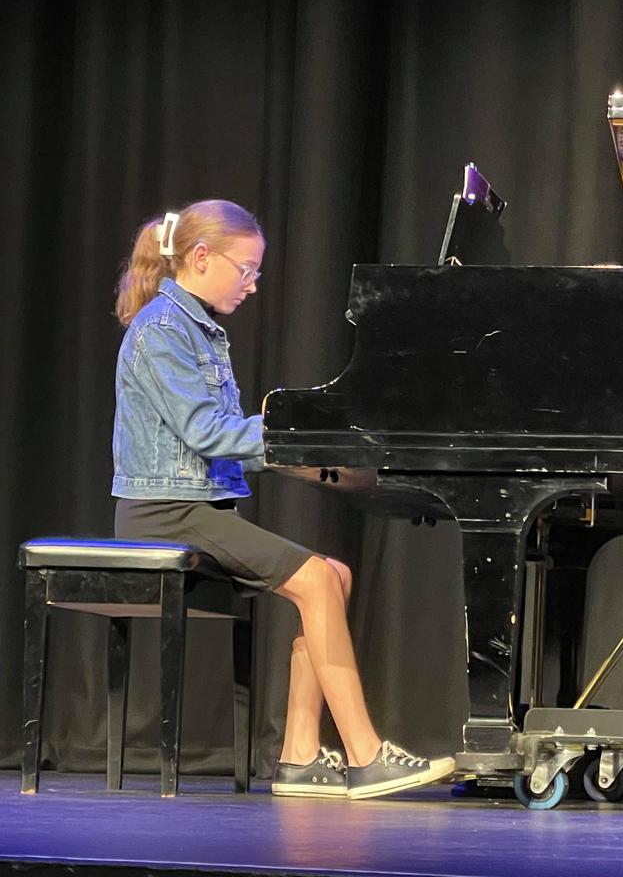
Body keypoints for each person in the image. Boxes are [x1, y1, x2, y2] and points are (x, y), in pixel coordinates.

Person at [112, 198, 455, 799]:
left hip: (195, 507)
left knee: (336, 575)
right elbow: (208, 433)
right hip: (164, 513)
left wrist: (310, 453)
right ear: (199, 258)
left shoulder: (193, 326)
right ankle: (366, 754)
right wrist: (297, 437)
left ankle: (298, 758)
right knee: (317, 581)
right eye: (245, 270)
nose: (252, 284)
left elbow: (221, 439)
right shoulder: (163, 330)